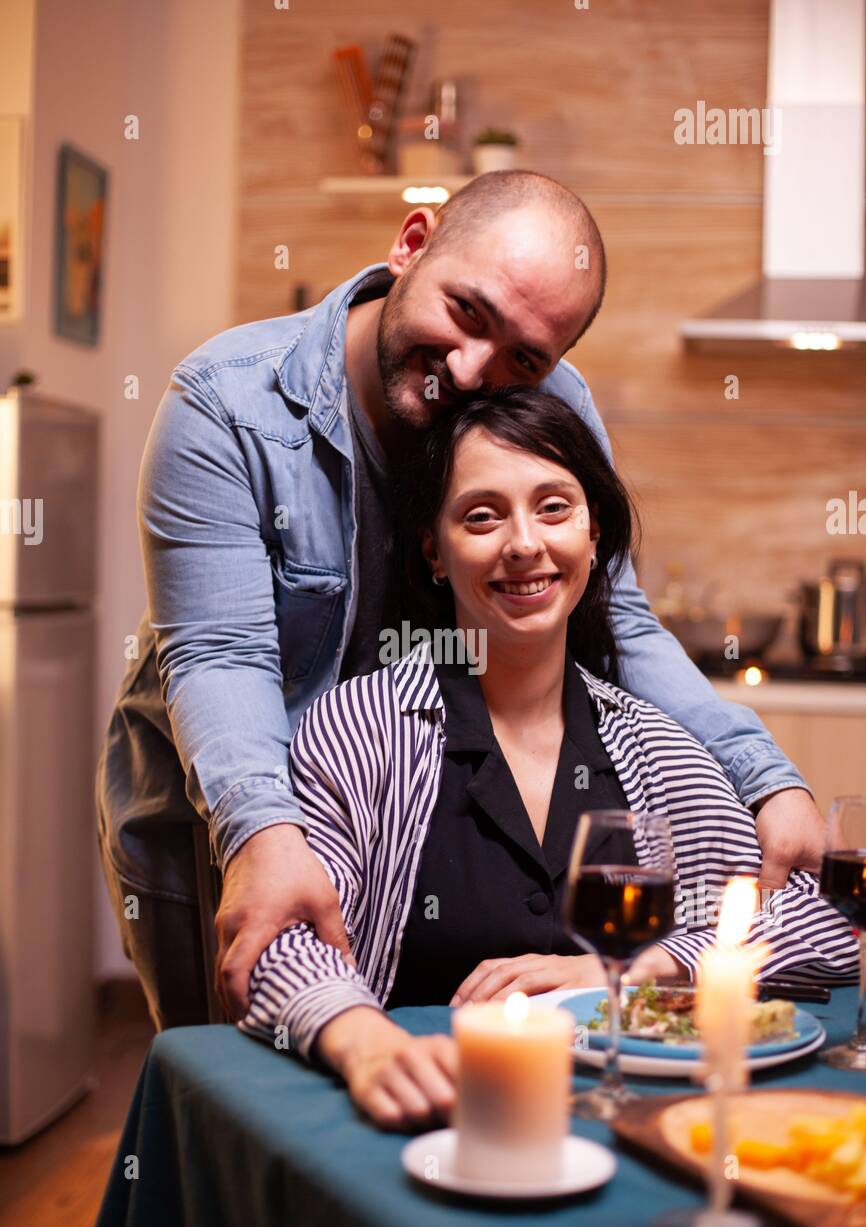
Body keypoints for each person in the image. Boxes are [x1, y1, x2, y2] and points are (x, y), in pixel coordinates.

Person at [95, 170, 825, 1032]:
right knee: (234, 1079)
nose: (475, 371)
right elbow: (222, 657)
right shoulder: (228, 403)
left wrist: (765, 779)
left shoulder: (555, 402)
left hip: (409, 796)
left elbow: (620, 620)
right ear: (410, 245)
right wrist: (261, 831)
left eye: (524, 357)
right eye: (468, 312)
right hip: (220, 797)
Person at [238, 387, 857, 1131]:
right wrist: (363, 1041)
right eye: (481, 515)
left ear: (596, 539)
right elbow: (281, 941)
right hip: (416, 1116)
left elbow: (829, 926)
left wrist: (626, 974)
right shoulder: (361, 728)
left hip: (633, 1127)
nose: (524, 543)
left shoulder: (656, 748)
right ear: (434, 550)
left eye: (554, 507)